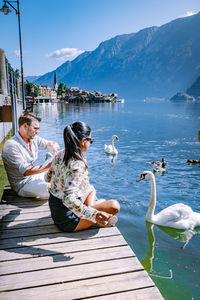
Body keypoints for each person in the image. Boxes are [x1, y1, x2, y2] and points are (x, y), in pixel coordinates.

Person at [45, 121, 120, 232]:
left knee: (90, 188)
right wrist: (94, 214)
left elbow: (47, 178)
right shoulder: (78, 165)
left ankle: (88, 214)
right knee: (114, 206)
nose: (91, 142)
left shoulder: (61, 154)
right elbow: (68, 199)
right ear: (83, 141)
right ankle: (93, 219)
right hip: (66, 220)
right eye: (91, 140)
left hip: (55, 208)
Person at [2, 112, 59, 199]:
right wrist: (50, 165)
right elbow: (26, 171)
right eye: (35, 128)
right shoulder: (11, 145)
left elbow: (48, 143)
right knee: (55, 188)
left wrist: (52, 145)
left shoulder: (33, 139)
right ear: (25, 126)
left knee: (61, 158)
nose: (37, 131)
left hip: (36, 176)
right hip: (23, 185)